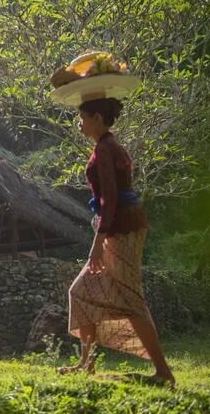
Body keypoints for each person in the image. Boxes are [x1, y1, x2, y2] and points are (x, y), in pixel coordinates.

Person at [61, 98, 175, 384]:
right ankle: (86, 363)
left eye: (83, 117)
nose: (79, 123)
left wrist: (97, 243)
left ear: (97, 117)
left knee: (130, 298)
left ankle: (163, 371)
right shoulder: (110, 145)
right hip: (119, 226)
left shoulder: (105, 148)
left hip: (121, 229)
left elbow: (110, 198)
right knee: (81, 291)